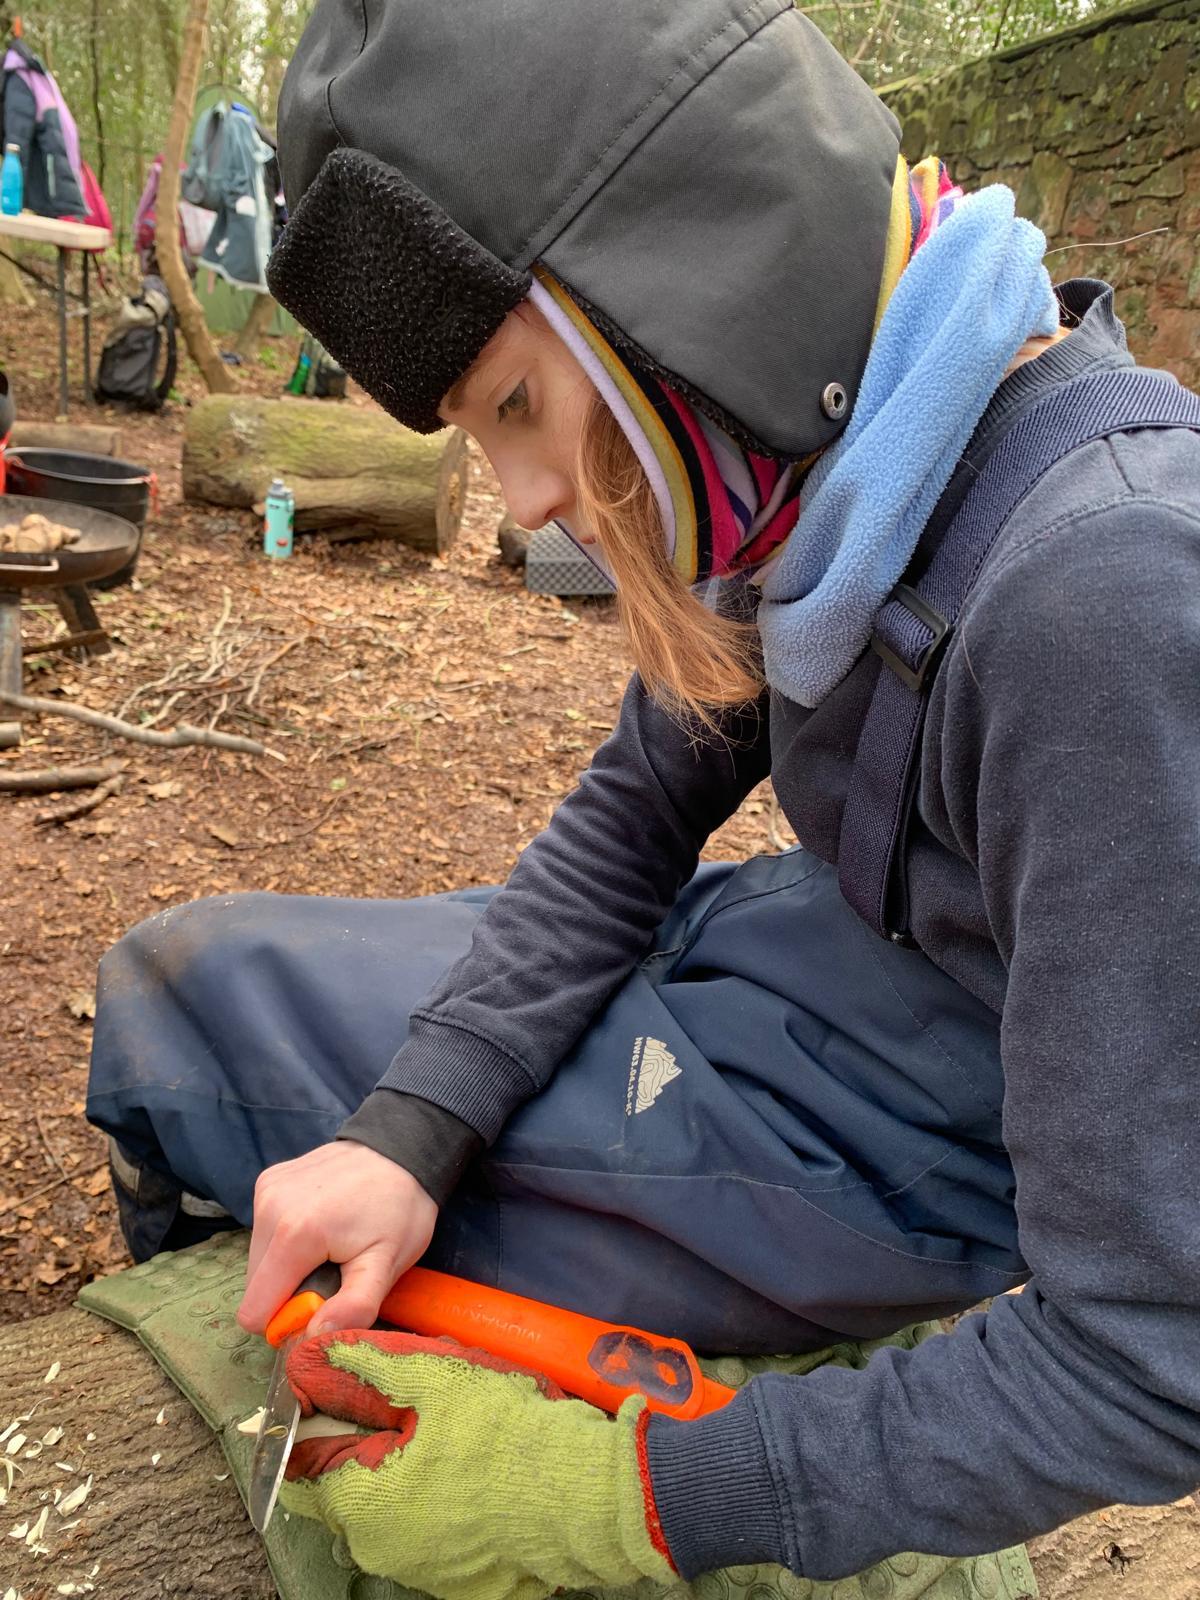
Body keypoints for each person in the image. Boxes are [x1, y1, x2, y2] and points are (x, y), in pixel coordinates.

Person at [86, 1, 1200, 1596]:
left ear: (691, 283)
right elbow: (625, 829)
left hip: (951, 1138)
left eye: (517, 408)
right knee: (209, 977)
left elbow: (1156, 1353)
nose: (525, 500)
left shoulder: (1105, 597)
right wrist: (412, 1131)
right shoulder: (845, 486)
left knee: (190, 1041)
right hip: (828, 968)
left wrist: (633, 1494)